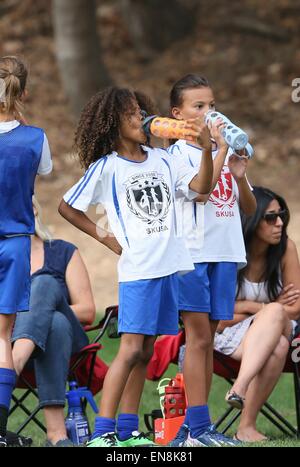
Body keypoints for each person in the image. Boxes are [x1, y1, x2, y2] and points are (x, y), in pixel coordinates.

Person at [58, 86, 213, 447]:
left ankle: (126, 432)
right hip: (139, 271)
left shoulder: (162, 158)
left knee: (145, 350)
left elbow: (201, 186)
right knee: (129, 349)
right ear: (113, 122)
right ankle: (101, 434)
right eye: (130, 114)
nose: (139, 118)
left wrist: (206, 150)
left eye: (141, 111)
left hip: (169, 268)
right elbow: (68, 207)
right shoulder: (107, 167)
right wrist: (107, 238)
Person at [168, 73, 257, 447]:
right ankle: (197, 428)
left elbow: (249, 209)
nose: (210, 113)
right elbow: (201, 194)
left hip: (225, 253)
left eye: (213, 105)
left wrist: (238, 175)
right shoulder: (176, 155)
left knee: (207, 337)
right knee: (199, 336)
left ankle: (196, 426)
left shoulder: (224, 152)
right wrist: (219, 150)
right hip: (193, 255)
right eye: (199, 106)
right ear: (179, 114)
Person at [214, 186, 300, 442]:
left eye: (281, 214)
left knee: (276, 315)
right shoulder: (229, 254)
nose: (280, 223)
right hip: (231, 336)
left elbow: (295, 309)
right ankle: (246, 427)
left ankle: (240, 386)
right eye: (271, 217)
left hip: (280, 325)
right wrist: (260, 308)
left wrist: (242, 306)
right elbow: (218, 318)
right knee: (278, 343)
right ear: (252, 220)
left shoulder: (286, 249)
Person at [11, 197, 96, 447]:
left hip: (71, 346)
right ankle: (57, 435)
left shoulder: (63, 251)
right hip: (12, 340)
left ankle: (9, 370)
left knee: (45, 283)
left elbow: (88, 310)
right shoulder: (4, 261)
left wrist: (38, 309)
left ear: (34, 208)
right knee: (55, 323)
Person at [0, 56, 52, 447]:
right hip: (15, 244)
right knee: (2, 337)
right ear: (25, 93)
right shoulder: (35, 138)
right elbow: (41, 172)